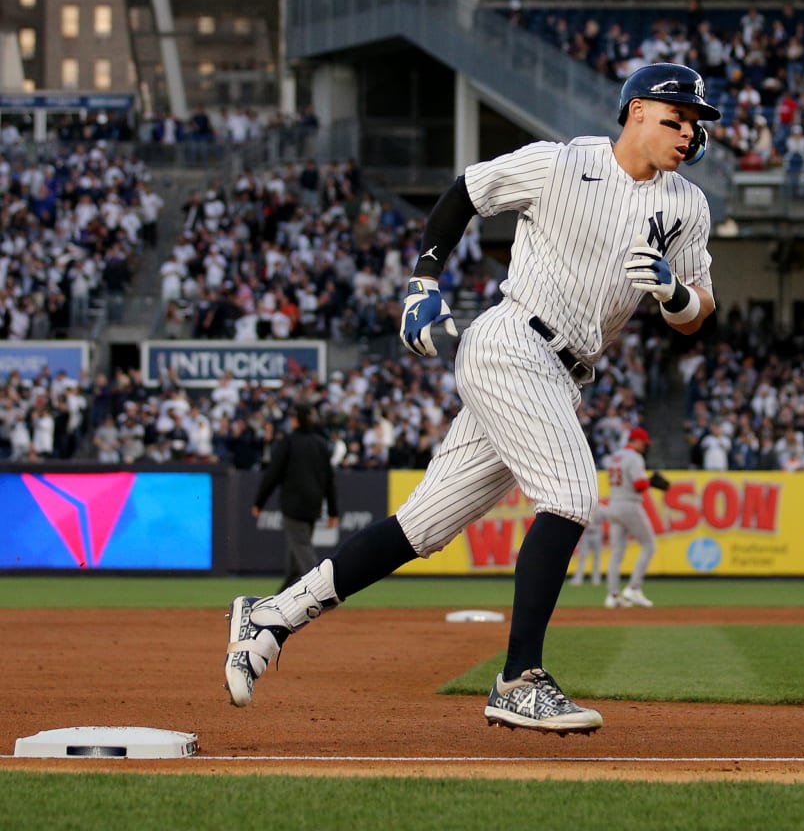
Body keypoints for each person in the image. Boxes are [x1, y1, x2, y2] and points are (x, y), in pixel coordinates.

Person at [223, 61, 720, 734]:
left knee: (420, 528)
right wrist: (424, 281)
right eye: (676, 118)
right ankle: (520, 680)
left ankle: (273, 615)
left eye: (695, 124)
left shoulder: (687, 205)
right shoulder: (562, 164)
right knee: (573, 495)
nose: (688, 133)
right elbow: (468, 191)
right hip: (513, 341)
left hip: (561, 373)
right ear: (635, 111)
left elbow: (701, 314)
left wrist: (677, 293)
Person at [251, 404, 340, 590]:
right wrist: (332, 511)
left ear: (296, 420)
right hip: (314, 506)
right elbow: (329, 480)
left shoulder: (288, 442)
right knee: (296, 564)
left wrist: (259, 502)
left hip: (293, 507)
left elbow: (272, 475)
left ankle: (323, 587)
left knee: (303, 553)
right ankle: (279, 602)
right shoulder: (321, 444)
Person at [603, 426, 670, 609]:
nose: (645, 447)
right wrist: (651, 481)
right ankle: (634, 587)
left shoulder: (615, 456)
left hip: (614, 504)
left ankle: (613, 595)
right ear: (637, 441)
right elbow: (639, 484)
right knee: (649, 545)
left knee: (616, 553)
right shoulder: (634, 457)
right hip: (629, 504)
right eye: (644, 443)